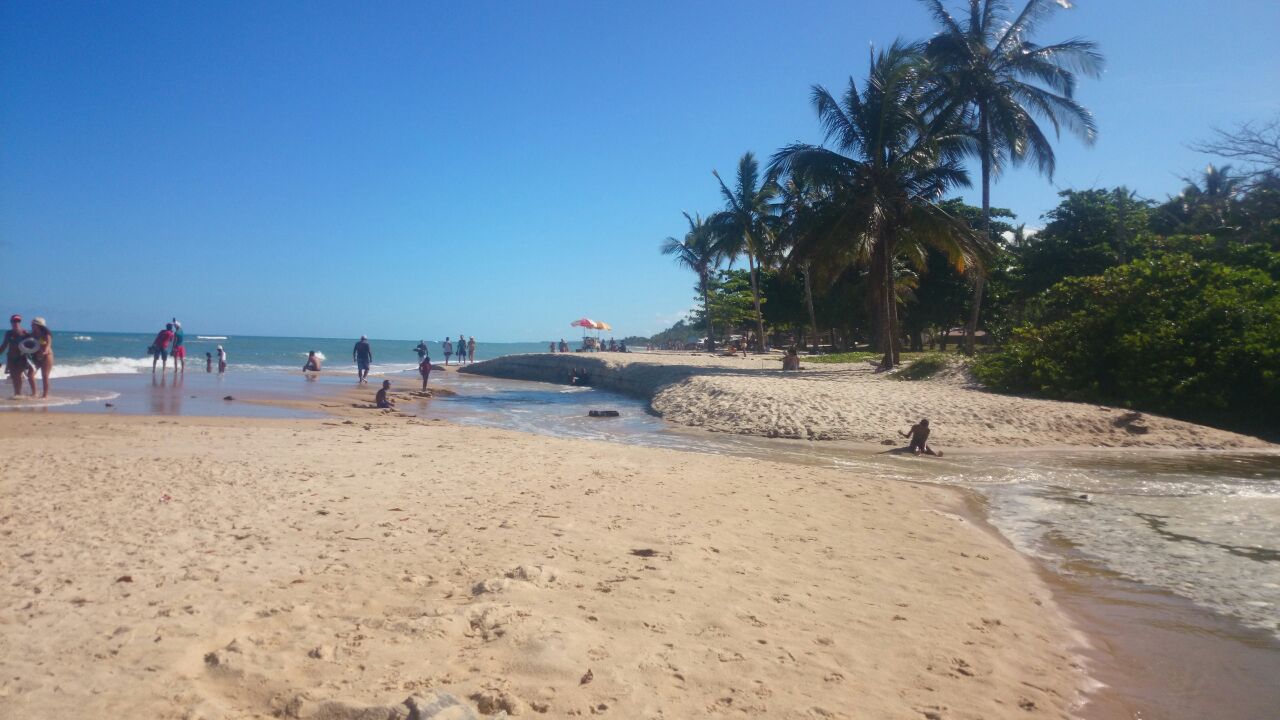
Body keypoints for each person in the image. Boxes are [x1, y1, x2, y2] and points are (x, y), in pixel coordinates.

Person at [0, 314, 35, 397]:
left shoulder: (25, 333)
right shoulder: (8, 333)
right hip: (11, 357)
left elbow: (32, 345)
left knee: (18, 375)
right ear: (11, 322)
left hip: (21, 357)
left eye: (18, 321)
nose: (16, 322)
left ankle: (20, 393)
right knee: (14, 376)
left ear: (20, 322)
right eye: (14, 321)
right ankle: (17, 393)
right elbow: (4, 345)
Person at [30, 317, 53, 398]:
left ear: (38, 325)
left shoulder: (46, 334)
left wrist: (45, 351)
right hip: (36, 357)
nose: (31, 325)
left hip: (47, 356)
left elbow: (48, 344)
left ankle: (45, 395)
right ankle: (34, 393)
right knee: (30, 374)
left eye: (33, 324)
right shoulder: (32, 334)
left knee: (45, 376)